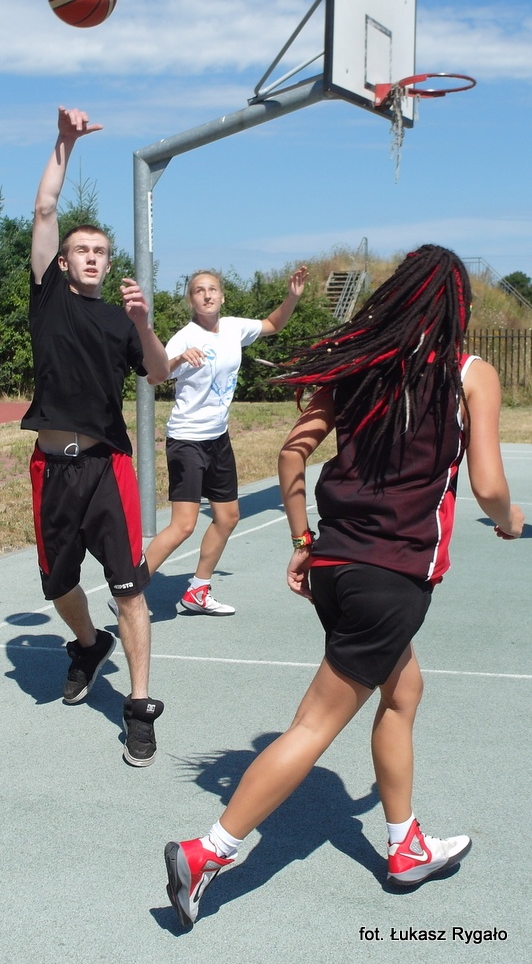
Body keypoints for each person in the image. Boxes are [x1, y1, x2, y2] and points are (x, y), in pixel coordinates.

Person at [162, 244, 524, 925]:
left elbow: (291, 452)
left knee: (404, 690)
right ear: (456, 307)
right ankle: (208, 851)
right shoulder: (468, 374)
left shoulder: (356, 365)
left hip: (336, 564)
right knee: (315, 725)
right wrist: (511, 521)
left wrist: (303, 540)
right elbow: (488, 486)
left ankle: (404, 845)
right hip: (391, 576)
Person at [21, 106, 170, 767]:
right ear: (62, 261)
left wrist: (143, 325)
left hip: (107, 467)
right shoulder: (47, 296)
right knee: (57, 586)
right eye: (82, 249)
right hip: (52, 467)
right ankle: (88, 644)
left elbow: (158, 373)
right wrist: (65, 142)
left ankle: (139, 706)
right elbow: (45, 208)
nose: (91, 257)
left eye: (101, 252)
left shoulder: (120, 320)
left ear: (109, 264)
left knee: (129, 589)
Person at [142, 265, 308, 615]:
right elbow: (154, 377)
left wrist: (292, 297)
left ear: (222, 295)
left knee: (229, 516)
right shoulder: (184, 337)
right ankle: (128, 589)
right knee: (183, 525)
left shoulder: (234, 327)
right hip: (187, 439)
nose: (207, 295)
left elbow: (273, 324)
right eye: (199, 290)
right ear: (191, 300)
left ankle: (197, 591)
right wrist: (178, 359)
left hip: (218, 438)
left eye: (212, 289)